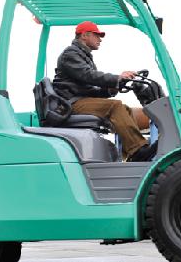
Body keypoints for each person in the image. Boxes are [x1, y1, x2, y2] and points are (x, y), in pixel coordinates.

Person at [53, 21, 157, 161]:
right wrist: (117, 78)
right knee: (115, 106)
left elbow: (89, 86)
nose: (100, 39)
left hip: (79, 99)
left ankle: (132, 154)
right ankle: (138, 150)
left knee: (124, 108)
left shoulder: (83, 55)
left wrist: (110, 89)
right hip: (71, 103)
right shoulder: (70, 54)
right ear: (85, 35)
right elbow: (88, 76)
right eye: (97, 35)